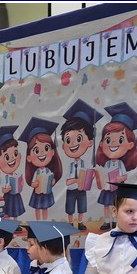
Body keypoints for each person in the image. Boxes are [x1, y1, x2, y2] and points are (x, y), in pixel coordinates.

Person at [95, 103, 137, 230]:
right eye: (108, 140)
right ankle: (106, 221)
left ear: (130, 145)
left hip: (116, 189)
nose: (113, 143)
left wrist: (118, 179)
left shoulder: (120, 164)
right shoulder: (107, 163)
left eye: (120, 140)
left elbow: (124, 176)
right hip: (107, 188)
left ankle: (116, 222)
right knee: (106, 204)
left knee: (116, 205)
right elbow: (104, 174)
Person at [61, 99, 102, 231]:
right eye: (68, 140)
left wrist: (92, 176)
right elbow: (68, 181)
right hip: (71, 189)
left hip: (81, 190)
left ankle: (80, 222)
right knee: (70, 207)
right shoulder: (70, 166)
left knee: (82, 206)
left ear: (90, 142)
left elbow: (88, 179)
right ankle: (70, 222)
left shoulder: (85, 164)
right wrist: (76, 180)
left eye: (78, 139)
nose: (73, 144)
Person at [20, 117, 62, 222]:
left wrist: (52, 181)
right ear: (29, 158)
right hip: (38, 192)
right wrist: (34, 184)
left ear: (52, 152)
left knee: (45, 207)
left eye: (46, 148)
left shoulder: (48, 171)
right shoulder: (36, 172)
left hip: (46, 192)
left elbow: (52, 178)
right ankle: (38, 221)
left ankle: (44, 221)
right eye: (36, 150)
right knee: (37, 207)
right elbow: (33, 182)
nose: (42, 153)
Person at [0, 125, 26, 221]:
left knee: (16, 212)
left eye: (15, 153)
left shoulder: (16, 175)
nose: (13, 158)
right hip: (8, 197)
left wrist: (21, 184)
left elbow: (20, 186)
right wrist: (7, 189)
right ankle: (9, 224)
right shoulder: (4, 177)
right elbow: (2, 190)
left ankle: (16, 222)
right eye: (7, 157)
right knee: (8, 212)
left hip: (16, 196)